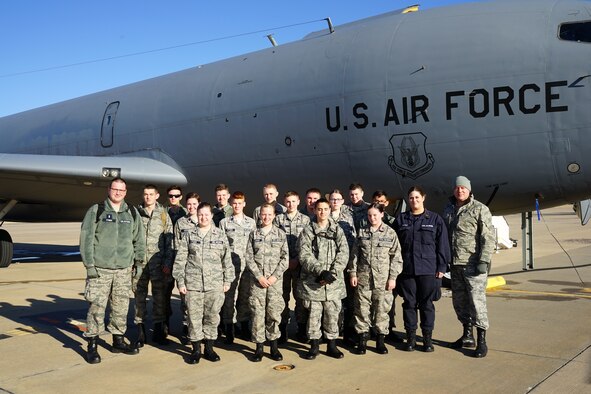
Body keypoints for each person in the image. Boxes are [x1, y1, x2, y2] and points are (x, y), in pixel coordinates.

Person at [80, 177, 145, 364]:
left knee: (121, 306)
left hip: (123, 269)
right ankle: (92, 344)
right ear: (109, 189)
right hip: (100, 269)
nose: (118, 193)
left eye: (121, 190)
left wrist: (139, 264)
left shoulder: (131, 212)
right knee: (96, 308)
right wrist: (90, 266)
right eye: (115, 189)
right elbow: (86, 239)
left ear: (125, 192)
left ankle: (118, 340)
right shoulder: (96, 210)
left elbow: (139, 240)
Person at [173, 201, 235, 364]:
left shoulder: (219, 235)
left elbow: (226, 260)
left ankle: (209, 349)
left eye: (207, 214)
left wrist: (227, 280)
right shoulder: (189, 235)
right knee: (193, 318)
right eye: (201, 214)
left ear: (211, 216)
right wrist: (180, 281)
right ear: (197, 215)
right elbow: (180, 259)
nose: (203, 217)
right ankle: (195, 350)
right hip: (193, 284)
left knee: (212, 317)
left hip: (214, 285)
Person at [443, 176, 495, 358]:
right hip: (455, 265)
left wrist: (484, 260)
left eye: (463, 188)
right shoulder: (449, 209)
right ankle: (467, 335)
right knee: (459, 302)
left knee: (477, 303)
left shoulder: (480, 209)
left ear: (469, 190)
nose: (460, 191)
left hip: (474, 265)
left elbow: (488, 237)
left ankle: (481, 341)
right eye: (457, 188)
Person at [394, 186, 450, 352]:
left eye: (417, 197)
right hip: (407, 270)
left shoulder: (434, 219)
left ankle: (427, 339)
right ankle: (410, 338)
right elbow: (394, 245)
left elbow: (442, 245)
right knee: (409, 304)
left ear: (423, 198)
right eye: (411, 198)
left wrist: (442, 266)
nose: (414, 201)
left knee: (427, 304)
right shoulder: (401, 219)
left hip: (428, 269)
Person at [298, 198, 349, 360]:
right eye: (319, 209)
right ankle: (314, 346)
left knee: (332, 314)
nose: (322, 212)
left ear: (329, 210)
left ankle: (332, 346)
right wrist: (320, 272)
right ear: (314, 210)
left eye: (325, 209)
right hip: (314, 282)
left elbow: (344, 252)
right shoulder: (308, 231)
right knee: (314, 315)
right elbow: (304, 254)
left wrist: (332, 274)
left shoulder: (337, 230)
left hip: (333, 283)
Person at [349, 203, 403, 355]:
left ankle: (380, 341)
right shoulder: (362, 233)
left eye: (375, 215)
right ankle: (362, 341)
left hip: (383, 281)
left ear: (382, 215)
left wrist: (393, 278)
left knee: (381, 311)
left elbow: (396, 258)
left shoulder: (390, 233)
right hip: (363, 279)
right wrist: (353, 273)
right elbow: (354, 256)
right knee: (361, 311)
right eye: (369, 215)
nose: (372, 218)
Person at [246, 203, 288, 362]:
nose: (266, 217)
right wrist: (259, 276)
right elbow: (249, 257)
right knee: (257, 313)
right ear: (259, 215)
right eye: (264, 214)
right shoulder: (253, 234)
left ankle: (274, 347)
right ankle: (259, 348)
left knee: (274, 313)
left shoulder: (280, 235)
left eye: (269, 214)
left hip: (274, 283)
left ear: (274, 216)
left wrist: (274, 277)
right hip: (257, 282)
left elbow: (285, 259)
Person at [134, 184, 174, 347]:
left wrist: (167, 263)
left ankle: (159, 331)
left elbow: (169, 240)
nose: (148, 197)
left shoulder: (163, 214)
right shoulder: (136, 214)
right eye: (145, 194)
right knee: (139, 298)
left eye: (151, 194)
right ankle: (140, 332)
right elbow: (130, 238)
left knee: (159, 298)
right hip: (140, 264)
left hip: (158, 265)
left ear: (157, 196)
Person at [219, 191, 257, 343]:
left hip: (247, 266)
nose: (237, 206)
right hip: (231, 266)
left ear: (244, 204)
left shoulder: (251, 223)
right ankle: (229, 327)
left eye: (239, 203)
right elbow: (222, 246)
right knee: (230, 297)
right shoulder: (224, 223)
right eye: (234, 203)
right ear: (231, 204)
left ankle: (244, 324)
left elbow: (255, 244)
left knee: (245, 296)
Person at [274, 191, 310, 342]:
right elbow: (274, 242)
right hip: (282, 265)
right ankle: (282, 329)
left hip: (299, 265)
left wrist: (296, 259)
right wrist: (287, 260)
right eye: (288, 202)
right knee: (282, 297)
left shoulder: (306, 220)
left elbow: (308, 243)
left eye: (293, 201)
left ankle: (301, 329)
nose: (290, 204)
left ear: (298, 201)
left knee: (300, 297)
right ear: (284, 202)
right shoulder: (278, 219)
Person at [328, 189, 356, 345]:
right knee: (332, 301)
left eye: (338, 199)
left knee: (349, 301)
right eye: (332, 199)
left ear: (343, 201)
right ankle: (332, 331)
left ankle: (348, 332)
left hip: (345, 266)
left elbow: (354, 242)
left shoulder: (349, 218)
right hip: (330, 266)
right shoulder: (324, 216)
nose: (335, 202)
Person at [164, 185, 188, 337]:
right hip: (167, 258)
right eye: (171, 195)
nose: (173, 198)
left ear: (181, 196)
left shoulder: (186, 214)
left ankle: (186, 327)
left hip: (182, 260)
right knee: (164, 295)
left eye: (176, 195)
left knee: (185, 295)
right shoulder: (162, 213)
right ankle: (164, 325)